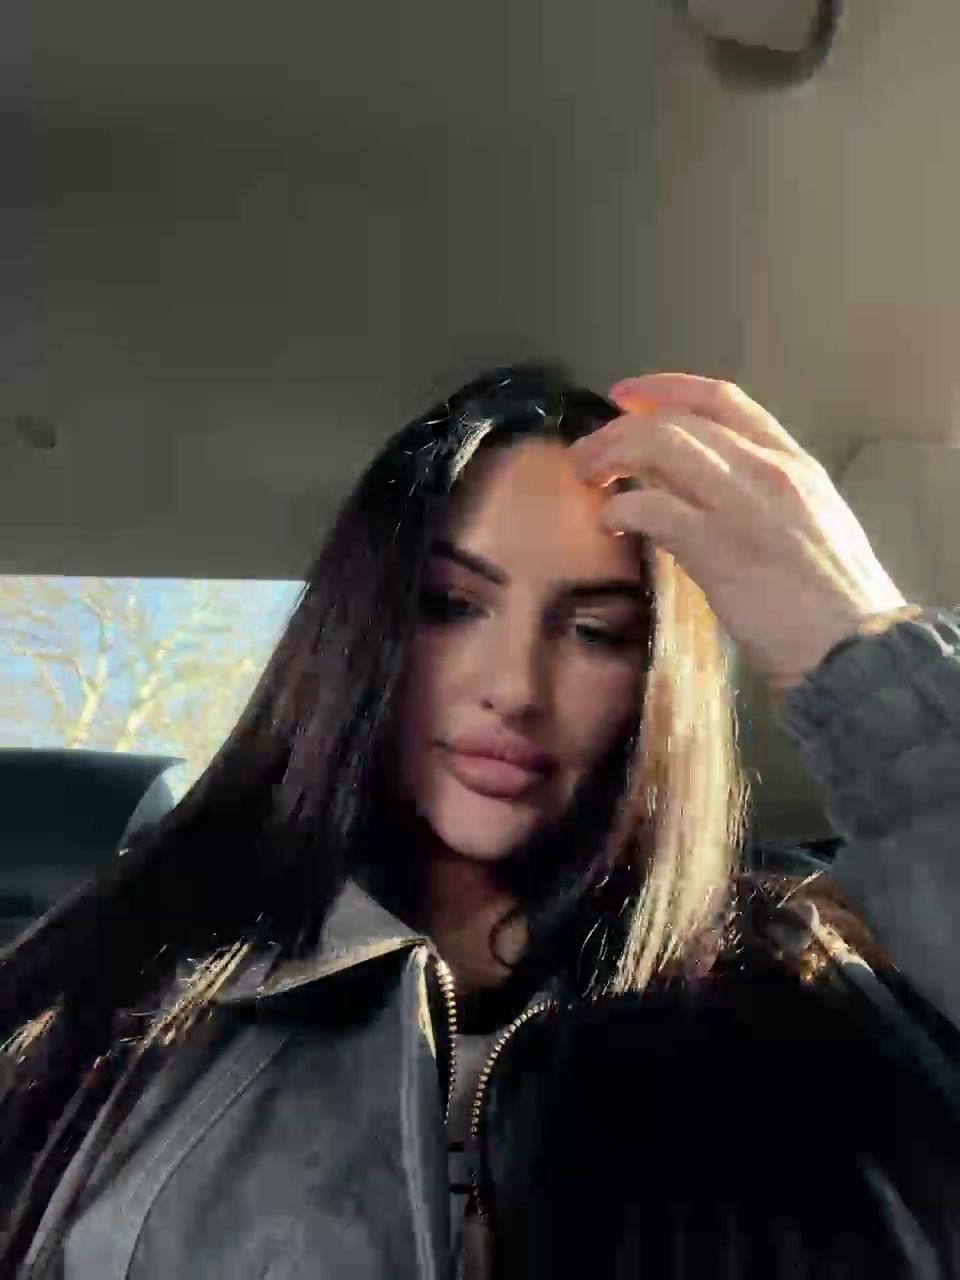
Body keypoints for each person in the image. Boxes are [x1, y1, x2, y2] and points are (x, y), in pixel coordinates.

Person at [1, 364, 959, 1279]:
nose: (514, 687)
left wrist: (863, 655)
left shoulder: (802, 991)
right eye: (453, 605)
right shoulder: (120, 990)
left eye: (596, 632)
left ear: (658, 685)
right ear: (366, 625)